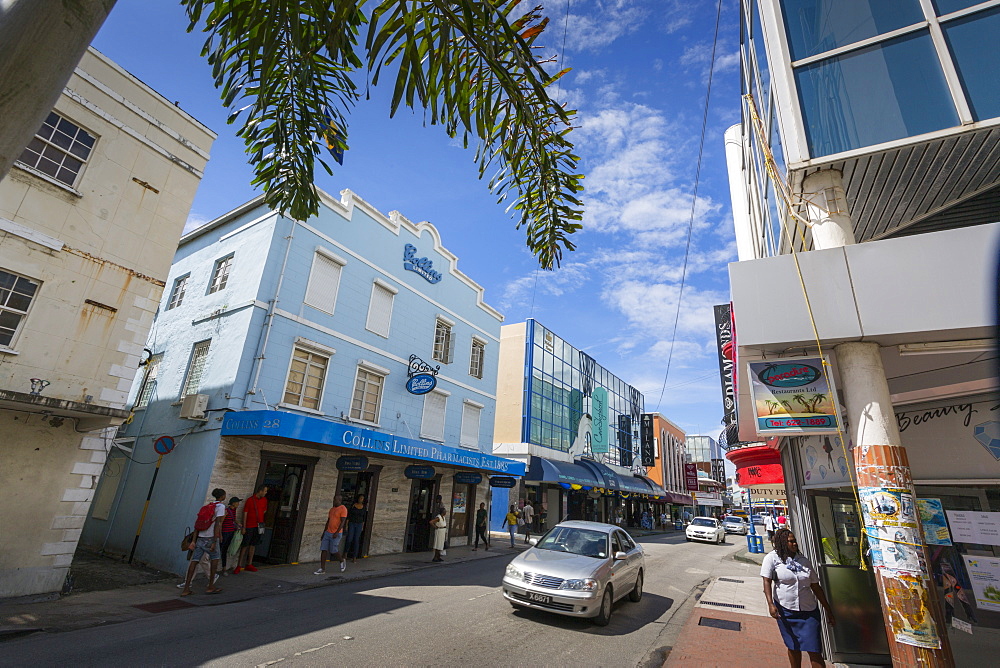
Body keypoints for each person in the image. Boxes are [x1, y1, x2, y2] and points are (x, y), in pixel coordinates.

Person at [761, 529, 835, 667]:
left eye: (795, 541)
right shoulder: (772, 558)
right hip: (786, 610)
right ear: (783, 542)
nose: (795, 544)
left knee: (814, 649)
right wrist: (770, 604)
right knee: (793, 646)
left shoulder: (804, 561)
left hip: (808, 611)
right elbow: (767, 581)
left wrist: (827, 609)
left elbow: (816, 587)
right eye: (791, 541)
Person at [181, 488, 226, 596]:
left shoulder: (206, 506)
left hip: (200, 538)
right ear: (222, 496)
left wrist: (193, 540)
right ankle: (210, 586)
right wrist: (215, 540)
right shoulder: (220, 507)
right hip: (210, 538)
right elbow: (217, 524)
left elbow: (197, 525)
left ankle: (186, 588)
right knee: (214, 560)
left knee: (194, 561)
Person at [234, 484, 268, 574]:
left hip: (258, 526)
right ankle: (239, 564)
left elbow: (264, 511)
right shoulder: (250, 500)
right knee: (245, 545)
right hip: (249, 525)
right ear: (260, 491)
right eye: (265, 491)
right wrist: (244, 526)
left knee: (253, 544)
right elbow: (245, 513)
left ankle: (249, 563)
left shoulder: (264, 500)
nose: (265, 493)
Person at [315, 494, 348, 574]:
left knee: (333, 550)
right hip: (328, 532)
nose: (334, 501)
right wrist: (324, 532)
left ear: (339, 500)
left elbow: (343, 521)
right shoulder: (332, 509)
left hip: (336, 533)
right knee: (324, 549)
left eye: (335, 500)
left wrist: (337, 532)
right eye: (333, 499)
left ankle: (341, 560)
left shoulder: (343, 509)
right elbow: (328, 521)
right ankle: (322, 569)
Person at [219, 496, 241, 574]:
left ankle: (224, 567)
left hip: (231, 532)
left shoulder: (234, 510)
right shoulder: (226, 511)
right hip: (225, 532)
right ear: (233, 503)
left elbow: (234, 519)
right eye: (237, 502)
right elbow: (221, 522)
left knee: (225, 549)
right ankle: (221, 567)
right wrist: (220, 534)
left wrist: (238, 524)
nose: (238, 504)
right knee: (221, 549)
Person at [344, 493, 367, 563]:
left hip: (359, 524)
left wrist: (362, 526)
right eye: (360, 498)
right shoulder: (353, 506)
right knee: (349, 538)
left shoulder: (364, 507)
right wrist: (346, 525)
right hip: (352, 523)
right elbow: (349, 515)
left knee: (356, 540)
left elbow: (364, 518)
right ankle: (345, 553)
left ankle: (354, 557)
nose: (361, 499)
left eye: (362, 498)